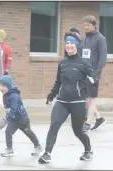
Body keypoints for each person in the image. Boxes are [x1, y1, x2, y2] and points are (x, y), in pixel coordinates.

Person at [38, 32, 95, 164]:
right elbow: (58, 82)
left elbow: (93, 78)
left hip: (78, 102)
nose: (69, 45)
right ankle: (47, 153)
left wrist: (93, 78)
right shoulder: (62, 63)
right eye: (67, 43)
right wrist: (51, 95)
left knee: (78, 131)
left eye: (71, 43)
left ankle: (88, 150)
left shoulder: (83, 63)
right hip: (62, 101)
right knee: (54, 125)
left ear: (76, 45)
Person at [0, 75, 42, 157]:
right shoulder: (5, 95)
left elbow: (13, 110)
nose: (1, 88)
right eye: (0, 86)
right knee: (8, 132)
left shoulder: (14, 96)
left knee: (28, 132)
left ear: (9, 86)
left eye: (3, 86)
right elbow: (8, 109)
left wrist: (5, 120)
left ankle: (38, 146)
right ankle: (9, 149)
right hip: (13, 120)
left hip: (22, 119)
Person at [81, 15, 107, 132]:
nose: (86, 27)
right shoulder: (85, 38)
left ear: (94, 26)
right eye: (85, 25)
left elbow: (103, 58)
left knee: (91, 98)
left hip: (93, 73)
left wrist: (96, 73)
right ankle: (99, 119)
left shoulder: (100, 38)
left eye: (88, 25)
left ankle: (88, 122)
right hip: (83, 72)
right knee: (85, 98)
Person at [0, 29, 13, 114]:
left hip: (2, 72)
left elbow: (9, 60)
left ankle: (7, 106)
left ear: (1, 37)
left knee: (2, 90)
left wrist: (7, 70)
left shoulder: (6, 47)